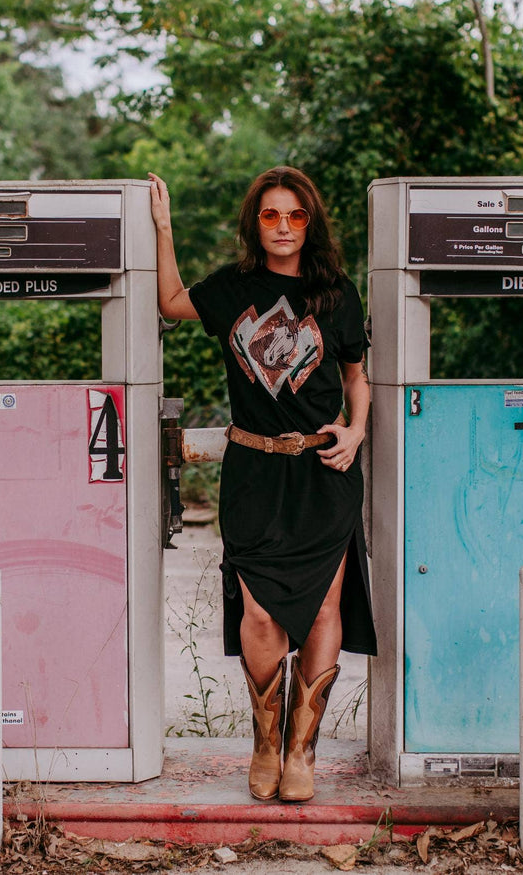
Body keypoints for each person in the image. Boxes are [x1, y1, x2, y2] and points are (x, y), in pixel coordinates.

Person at [150, 166, 376, 802]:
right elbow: (169, 303)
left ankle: (302, 753)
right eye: (271, 216)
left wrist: (356, 433)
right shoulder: (232, 289)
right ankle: (264, 742)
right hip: (253, 471)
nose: (283, 227)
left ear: (311, 223)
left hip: (323, 472)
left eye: (295, 216)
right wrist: (165, 229)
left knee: (325, 608)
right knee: (258, 609)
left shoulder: (336, 294)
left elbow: (357, 376)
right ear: (255, 223)